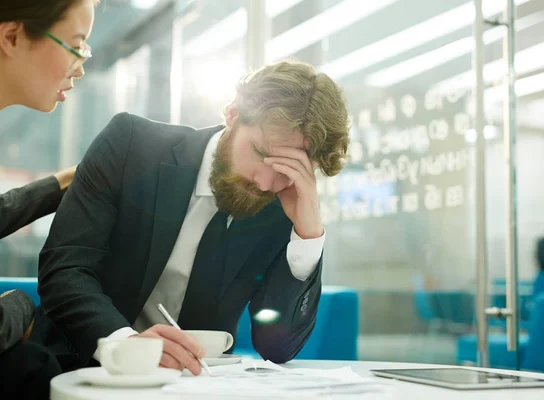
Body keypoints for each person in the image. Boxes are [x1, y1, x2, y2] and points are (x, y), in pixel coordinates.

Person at [34, 59, 350, 376]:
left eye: (286, 170)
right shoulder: (130, 145)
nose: (265, 183)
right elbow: (65, 268)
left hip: (195, 387)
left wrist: (308, 236)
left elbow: (276, 346)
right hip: (79, 369)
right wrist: (126, 345)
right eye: (260, 154)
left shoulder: (281, 206)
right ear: (233, 114)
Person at [0, 0, 98, 398]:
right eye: (76, 45)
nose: (80, 66)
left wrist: (63, 183)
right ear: (12, 36)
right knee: (32, 365)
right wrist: (22, 303)